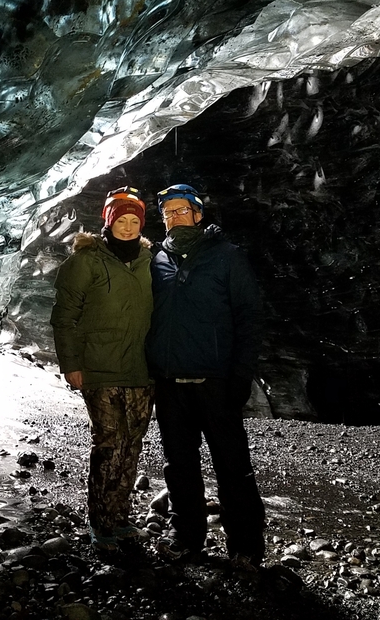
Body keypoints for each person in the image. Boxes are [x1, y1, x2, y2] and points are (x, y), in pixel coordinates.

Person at [144, 183, 266, 567]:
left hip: (215, 382)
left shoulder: (227, 256)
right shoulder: (156, 260)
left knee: (232, 467)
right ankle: (187, 538)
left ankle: (245, 547)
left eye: (182, 210)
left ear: (198, 214)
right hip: (169, 385)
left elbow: (250, 317)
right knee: (179, 467)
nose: (174, 217)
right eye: (168, 213)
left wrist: (240, 375)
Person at [49, 186, 155, 552]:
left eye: (134, 220)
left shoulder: (148, 260)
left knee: (132, 447)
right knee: (108, 446)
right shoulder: (85, 261)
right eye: (121, 220)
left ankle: (121, 517)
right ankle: (100, 523)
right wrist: (72, 365)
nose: (127, 227)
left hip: (141, 371)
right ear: (108, 222)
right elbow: (64, 318)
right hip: (100, 370)